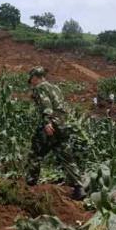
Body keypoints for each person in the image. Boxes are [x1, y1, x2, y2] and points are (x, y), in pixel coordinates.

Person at [26, 66, 85, 199]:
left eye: (32, 79)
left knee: (35, 154)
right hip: (63, 126)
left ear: (35, 77)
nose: (31, 82)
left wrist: (47, 122)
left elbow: (47, 106)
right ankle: (79, 188)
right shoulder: (56, 88)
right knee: (67, 157)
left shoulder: (40, 88)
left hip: (51, 125)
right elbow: (62, 106)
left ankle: (30, 185)